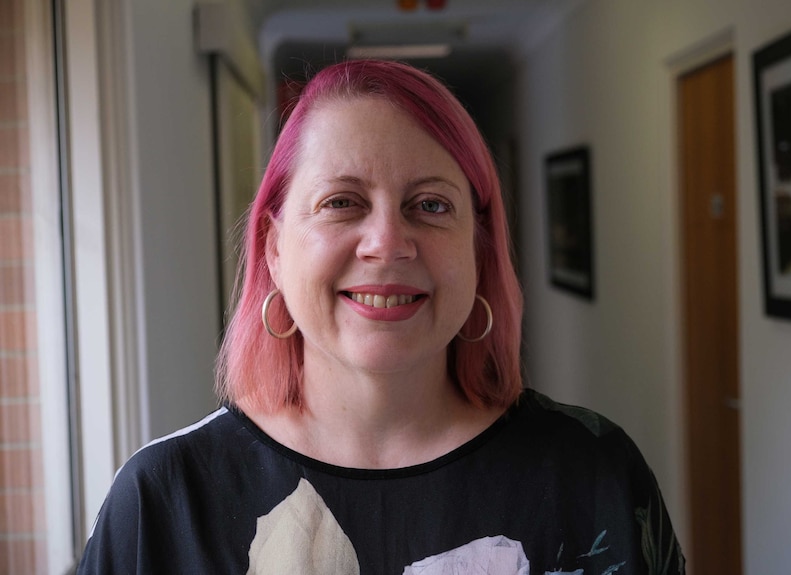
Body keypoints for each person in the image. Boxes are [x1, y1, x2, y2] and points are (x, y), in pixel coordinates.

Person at [77, 59, 685, 574]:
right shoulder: (164, 498)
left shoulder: (596, 473)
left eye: (430, 204)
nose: (387, 243)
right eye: (341, 202)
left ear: (478, 247)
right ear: (275, 248)